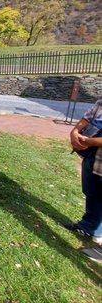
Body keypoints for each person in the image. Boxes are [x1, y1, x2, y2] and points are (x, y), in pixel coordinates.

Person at [66, 97, 102, 246]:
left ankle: (97, 232)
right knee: (90, 191)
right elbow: (87, 117)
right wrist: (74, 132)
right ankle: (87, 225)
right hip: (91, 155)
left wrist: (87, 141)